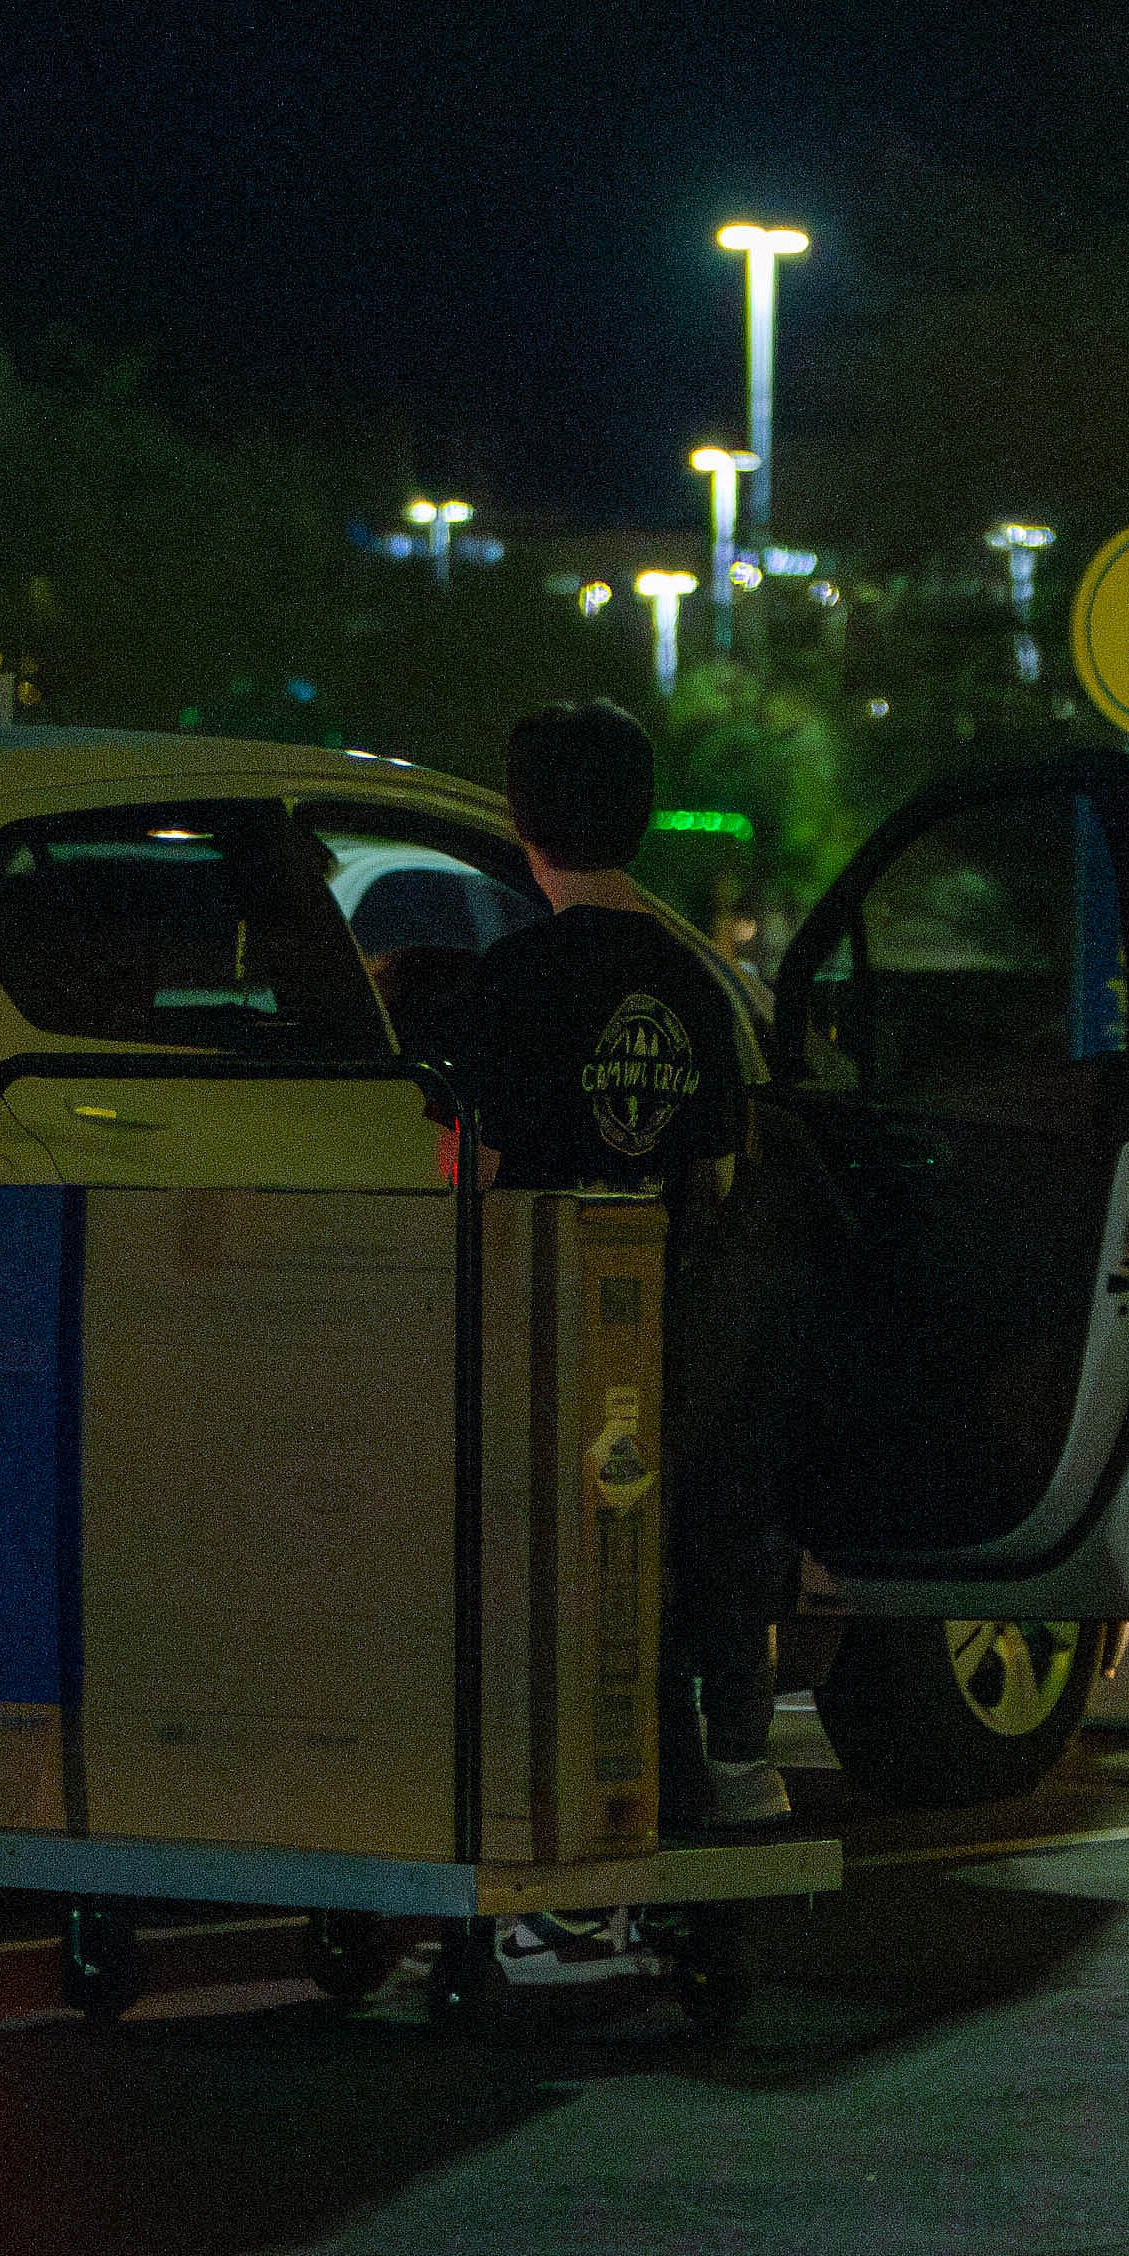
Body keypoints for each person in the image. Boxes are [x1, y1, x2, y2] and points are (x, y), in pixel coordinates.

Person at [457, 700, 792, 1836]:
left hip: (534, 1350)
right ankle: (698, 1776)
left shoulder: (512, 982)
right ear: (642, 818)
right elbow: (716, 1177)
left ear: (520, 819)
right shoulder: (695, 985)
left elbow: (478, 1172)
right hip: (653, 1358)